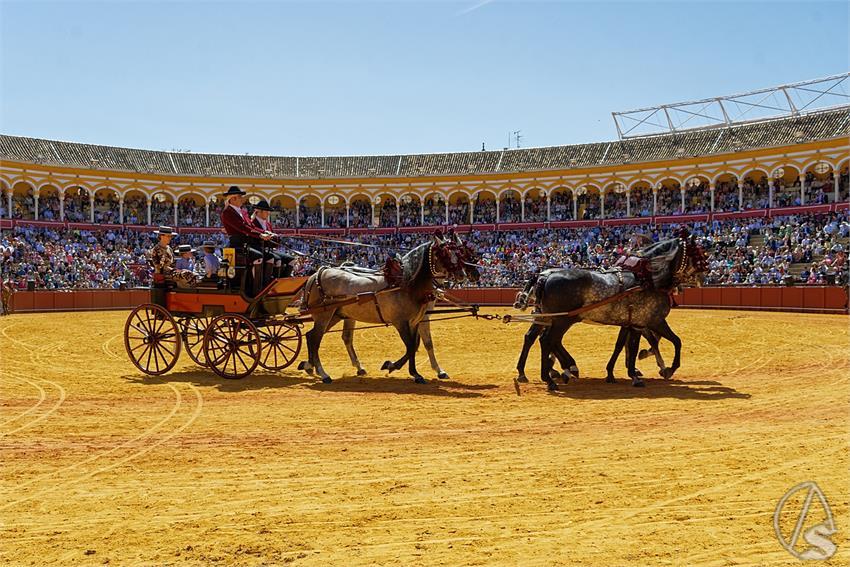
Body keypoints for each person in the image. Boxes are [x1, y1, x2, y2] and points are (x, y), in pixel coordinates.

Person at [219, 186, 274, 294]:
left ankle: (265, 286)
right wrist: (260, 235)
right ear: (233, 199)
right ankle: (256, 290)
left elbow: (250, 227)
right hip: (237, 244)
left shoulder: (243, 212)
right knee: (259, 256)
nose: (242, 199)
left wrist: (264, 233)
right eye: (239, 197)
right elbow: (242, 228)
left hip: (247, 243)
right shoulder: (227, 212)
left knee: (267, 256)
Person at [251, 198, 295, 279]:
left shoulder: (268, 224)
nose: (268, 213)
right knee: (277, 260)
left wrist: (277, 237)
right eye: (266, 211)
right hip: (259, 249)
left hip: (269, 249)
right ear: (259, 211)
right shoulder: (253, 223)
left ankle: (283, 281)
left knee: (292, 259)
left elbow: (275, 241)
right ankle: (268, 283)